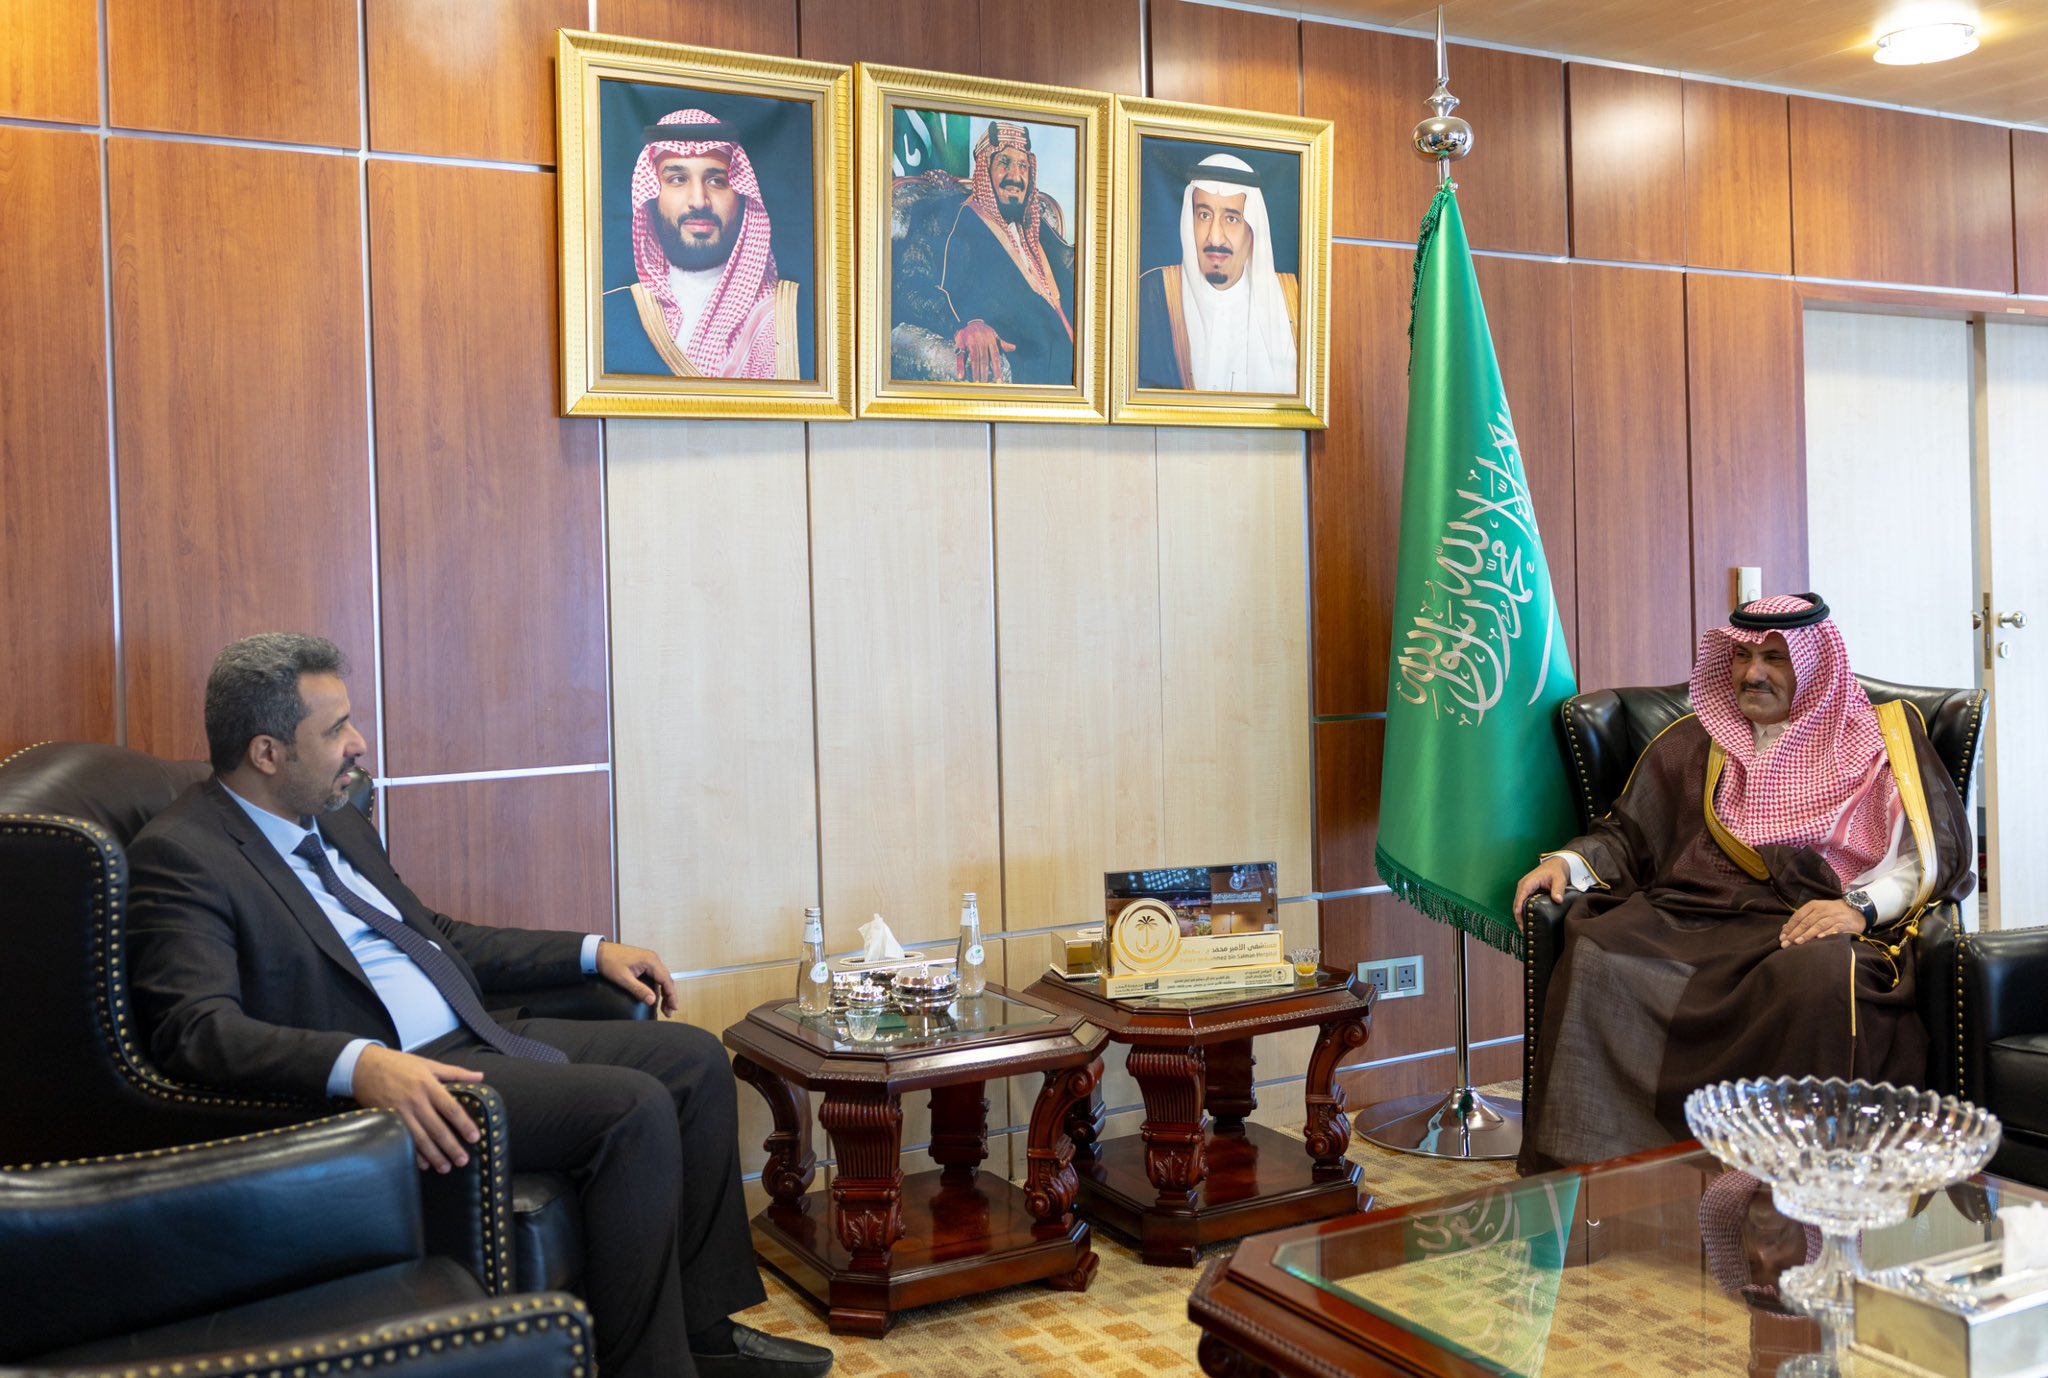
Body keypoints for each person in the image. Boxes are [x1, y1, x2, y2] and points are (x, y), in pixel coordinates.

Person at [126, 634, 832, 1378]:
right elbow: (194, 1031)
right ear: (267, 753)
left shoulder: (333, 817)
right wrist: (359, 1065)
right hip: (407, 1079)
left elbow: (433, 934)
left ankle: (706, 1335)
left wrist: (588, 951)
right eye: (334, 730)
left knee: (691, 1059)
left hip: (472, 1031)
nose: (358, 744)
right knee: (632, 1109)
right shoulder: (184, 855)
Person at [1513, 593, 1973, 1175]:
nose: (1752, 674)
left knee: (1821, 980)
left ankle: (1799, 1178)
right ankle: (1611, 1175)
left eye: (1775, 658)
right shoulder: (1694, 741)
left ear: (1815, 664)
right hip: (1697, 914)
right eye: (1742, 656)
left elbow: (1928, 856)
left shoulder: (1882, 742)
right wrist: (1568, 863)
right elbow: (1628, 835)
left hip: (1809, 920)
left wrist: (1858, 907)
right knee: (1597, 953)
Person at [603, 108, 809, 381]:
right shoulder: (609, 316)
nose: (699, 201)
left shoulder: (797, 316)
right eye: (678, 179)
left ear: (741, 196)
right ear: (652, 195)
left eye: (716, 181)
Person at [891, 121, 1076, 385]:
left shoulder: (1038, 226)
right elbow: (909, 285)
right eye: (1004, 163)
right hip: (1033, 361)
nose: (1015, 176)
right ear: (984, 170)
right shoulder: (947, 218)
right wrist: (967, 323)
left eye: (1023, 166)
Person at [1135, 151, 1299, 394]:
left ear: (1252, 229)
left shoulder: (1292, 301)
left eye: (1231, 219)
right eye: (1204, 215)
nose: (1215, 237)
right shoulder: (1152, 295)